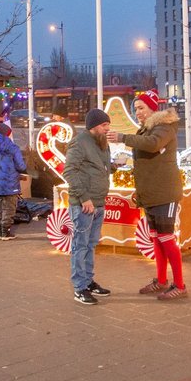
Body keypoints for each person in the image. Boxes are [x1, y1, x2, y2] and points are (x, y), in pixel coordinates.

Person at [108, 89, 187, 300]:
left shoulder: (165, 127)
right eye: (136, 109)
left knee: (167, 239)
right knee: (157, 239)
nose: (138, 113)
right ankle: (161, 281)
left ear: (153, 108)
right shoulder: (148, 129)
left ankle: (179, 284)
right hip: (151, 192)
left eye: (141, 108)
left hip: (164, 192)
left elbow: (153, 146)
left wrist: (123, 138)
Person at [64, 109, 113, 305]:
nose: (108, 128)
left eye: (108, 124)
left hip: (99, 202)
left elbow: (97, 167)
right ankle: (79, 287)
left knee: (91, 244)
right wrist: (84, 198)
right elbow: (70, 171)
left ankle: (88, 281)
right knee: (80, 245)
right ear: (94, 126)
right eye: (104, 125)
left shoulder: (101, 142)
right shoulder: (80, 142)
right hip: (84, 204)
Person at [0, 122, 27, 241]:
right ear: (7, 134)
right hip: (10, 182)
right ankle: (6, 231)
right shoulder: (13, 148)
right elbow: (21, 166)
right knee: (9, 207)